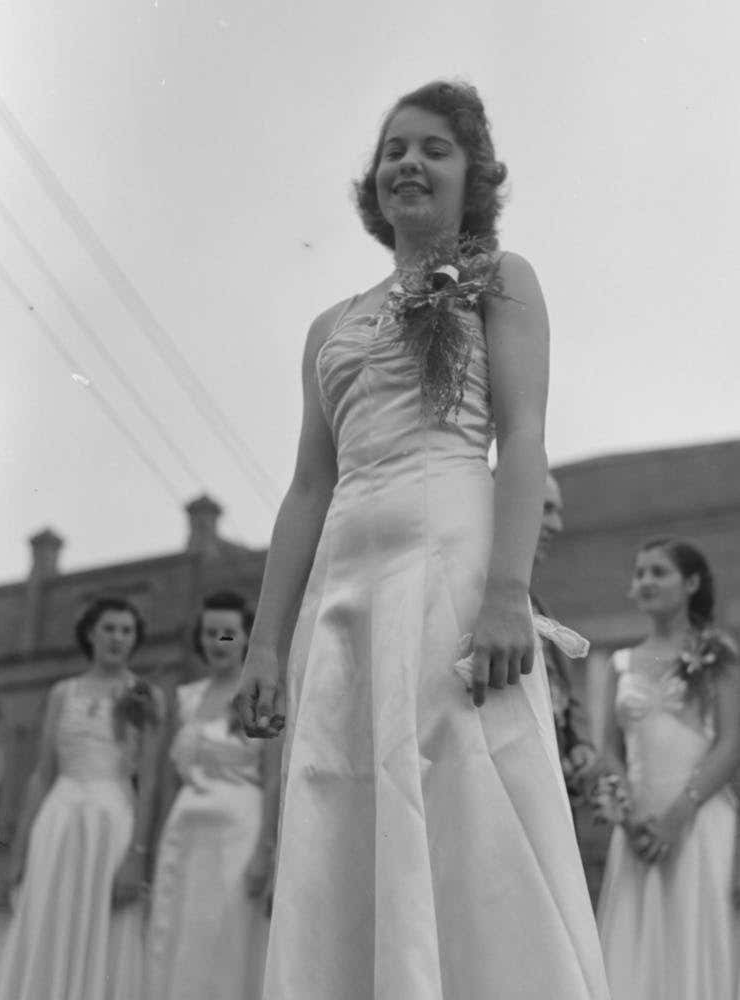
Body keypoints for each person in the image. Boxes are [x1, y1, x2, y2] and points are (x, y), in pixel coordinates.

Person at [235, 79, 610, 999]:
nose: (409, 161)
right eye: (395, 147)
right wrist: (266, 643)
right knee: (343, 796)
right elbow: (309, 486)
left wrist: (505, 593)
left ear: (471, 177)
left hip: (449, 565)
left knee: (464, 799)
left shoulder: (500, 277)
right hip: (346, 588)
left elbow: (522, 436)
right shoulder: (330, 326)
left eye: (435, 148)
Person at [0, 595, 163, 1000]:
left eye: (127, 631)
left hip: (112, 821)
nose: (118, 638)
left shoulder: (146, 695)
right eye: (109, 629)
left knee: (104, 926)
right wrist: (19, 851)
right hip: (59, 818)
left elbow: (151, 780)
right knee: (50, 917)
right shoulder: (62, 693)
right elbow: (42, 773)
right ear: (90, 634)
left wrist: (137, 855)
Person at [596, 538, 740, 1000]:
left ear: (692, 582)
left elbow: (732, 742)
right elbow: (611, 750)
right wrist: (628, 814)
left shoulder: (718, 654)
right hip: (638, 831)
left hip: (698, 824)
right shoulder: (620, 663)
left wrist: (678, 817)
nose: (645, 582)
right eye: (639, 573)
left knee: (696, 947)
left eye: (659, 572)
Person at [144, 591, 281, 1000]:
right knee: (179, 937)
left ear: (245, 638)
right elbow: (169, 780)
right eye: (209, 634)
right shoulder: (185, 699)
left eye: (227, 634)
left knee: (227, 941)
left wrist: (265, 852)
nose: (217, 643)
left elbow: (273, 778)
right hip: (183, 835)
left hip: (237, 835)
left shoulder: (265, 696)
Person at [531, 472, 598, 802]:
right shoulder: (472, 597)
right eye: (545, 509)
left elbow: (563, 691)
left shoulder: (540, 605)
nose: (556, 525)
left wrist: (580, 743)